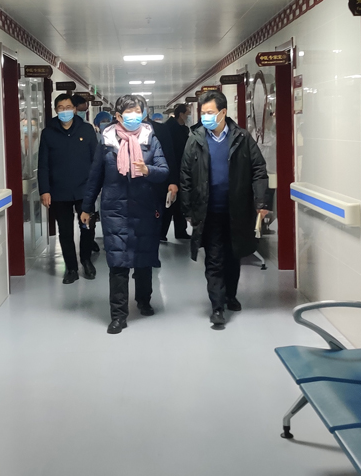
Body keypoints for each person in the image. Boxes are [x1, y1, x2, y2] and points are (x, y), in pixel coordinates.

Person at [179, 89, 269, 329]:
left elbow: (259, 170)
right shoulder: (196, 139)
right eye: (203, 113)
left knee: (233, 256)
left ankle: (230, 295)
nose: (205, 117)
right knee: (214, 259)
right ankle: (217, 306)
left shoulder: (241, 137)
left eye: (210, 112)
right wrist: (188, 210)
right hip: (208, 212)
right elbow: (185, 175)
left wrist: (261, 202)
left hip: (236, 212)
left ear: (223, 112)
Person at [81, 94, 169, 334]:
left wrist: (147, 170)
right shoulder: (107, 142)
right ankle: (118, 315)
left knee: (143, 260)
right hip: (115, 211)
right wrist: (87, 208)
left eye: (138, 111)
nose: (134, 116)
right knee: (118, 263)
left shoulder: (151, 139)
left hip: (145, 209)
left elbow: (164, 171)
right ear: (118, 116)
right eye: (129, 112)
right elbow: (95, 177)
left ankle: (144, 300)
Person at [39, 93, 99, 283]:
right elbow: (43, 164)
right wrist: (44, 190)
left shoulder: (86, 130)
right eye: (60, 108)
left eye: (68, 107)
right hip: (59, 191)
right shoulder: (48, 133)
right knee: (65, 232)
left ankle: (86, 261)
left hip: (84, 190)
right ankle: (71, 268)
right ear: (56, 110)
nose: (64, 111)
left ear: (74, 109)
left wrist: (96, 186)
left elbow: (96, 161)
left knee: (87, 228)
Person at [156, 104, 191, 241]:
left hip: (182, 168)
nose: (188, 116)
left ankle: (180, 230)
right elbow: (169, 152)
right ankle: (161, 232)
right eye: (187, 114)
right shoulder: (168, 128)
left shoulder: (184, 129)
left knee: (180, 202)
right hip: (171, 168)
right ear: (181, 114)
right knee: (169, 202)